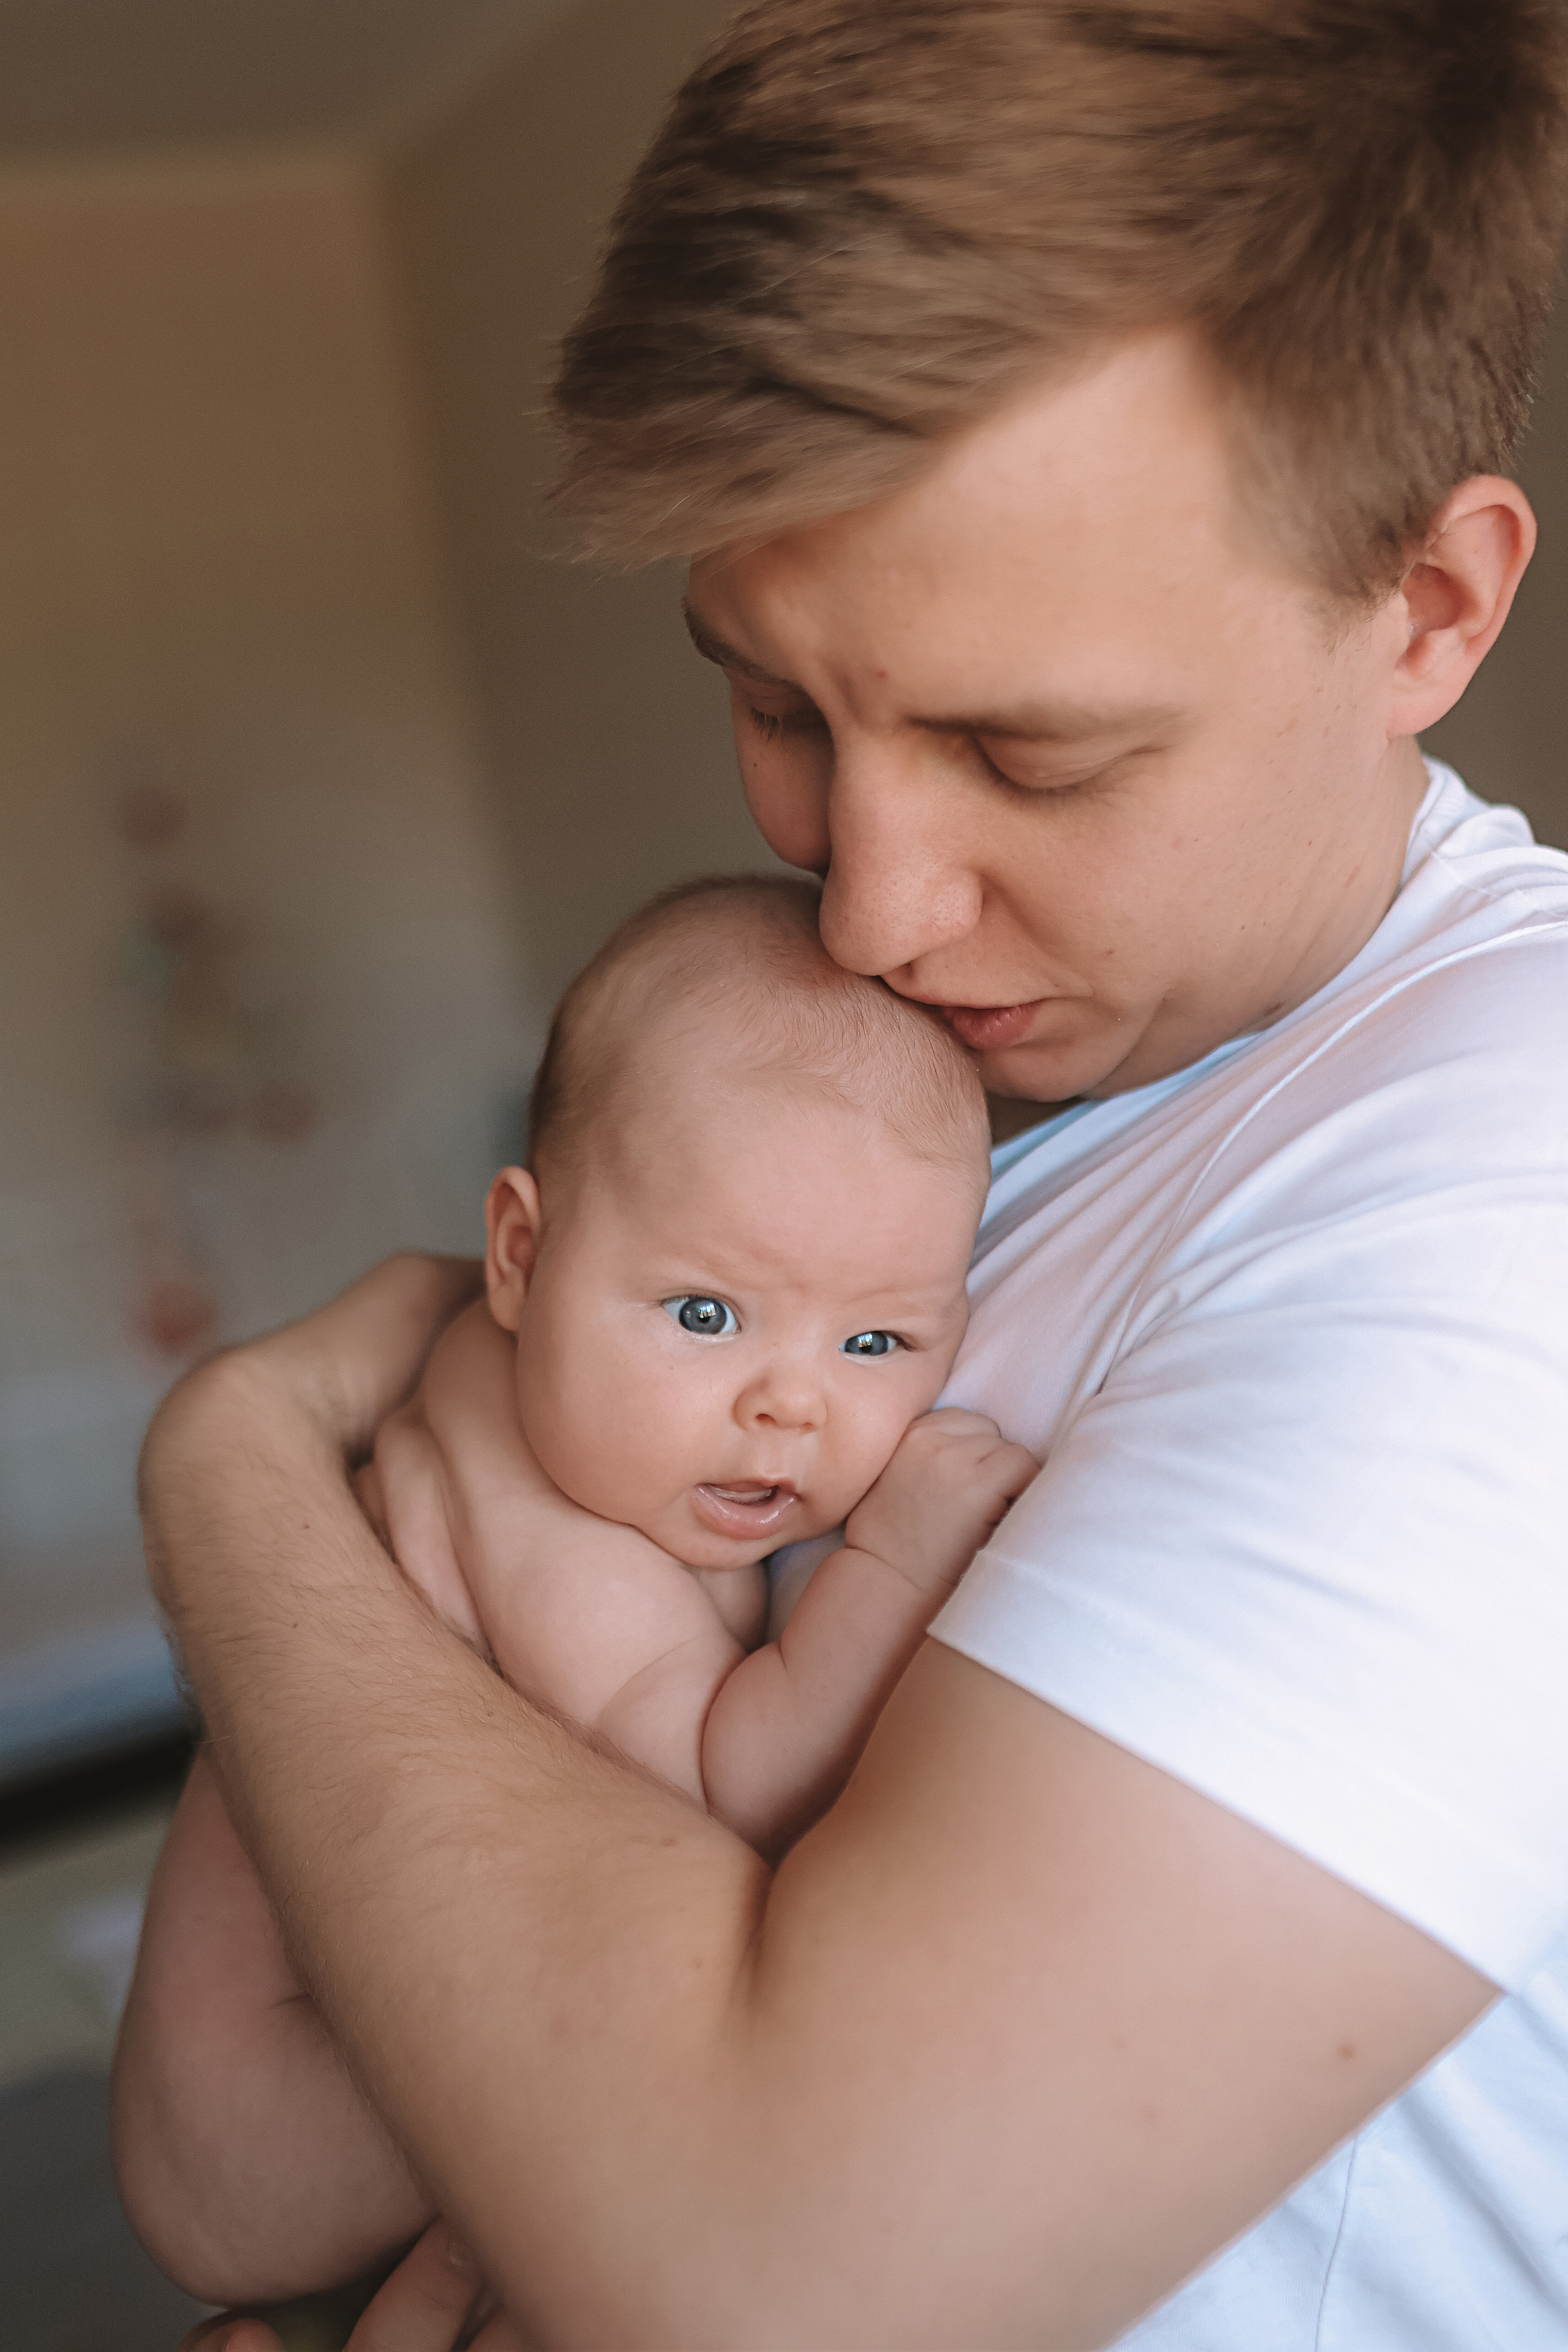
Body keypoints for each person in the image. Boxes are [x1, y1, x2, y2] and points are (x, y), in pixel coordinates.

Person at [119, 1, 1568, 2344]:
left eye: (1028, 751)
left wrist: (225, 1479)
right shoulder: (936, 1114)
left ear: (1428, 607)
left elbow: (783, 2272)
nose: (869, 905)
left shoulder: (1505, 1187)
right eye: (780, 705)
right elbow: (210, 2161)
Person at [116, 882, 1037, 2240]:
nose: (790, 1406)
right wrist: (895, 1562)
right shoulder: (544, 1516)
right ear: (518, 1255)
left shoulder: (543, 1401)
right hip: (266, 2103)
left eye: (875, 1344)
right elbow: (722, 1784)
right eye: (706, 1312)